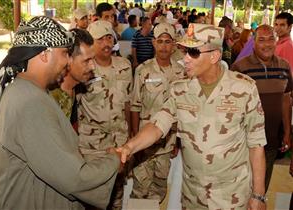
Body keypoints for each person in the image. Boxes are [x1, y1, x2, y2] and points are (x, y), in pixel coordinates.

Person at [116, 23, 267, 209]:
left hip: (231, 196)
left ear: (214, 56)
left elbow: (256, 145)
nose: (185, 58)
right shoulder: (180, 89)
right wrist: (128, 147)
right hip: (193, 196)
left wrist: (258, 196)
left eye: (193, 52)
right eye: (185, 51)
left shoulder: (244, 89)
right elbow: (157, 125)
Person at [0, 16, 120, 210]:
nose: (68, 61)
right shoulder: (30, 102)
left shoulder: (27, 91)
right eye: (64, 54)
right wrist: (113, 162)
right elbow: (74, 178)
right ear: (45, 54)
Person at [79, 20, 133, 210]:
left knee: (116, 197)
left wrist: (131, 139)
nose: (106, 44)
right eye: (99, 39)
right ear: (90, 43)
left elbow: (128, 103)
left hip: (119, 146)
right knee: (91, 199)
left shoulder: (125, 66)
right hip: (91, 148)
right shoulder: (83, 69)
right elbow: (72, 111)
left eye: (109, 38)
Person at [231, 24, 292, 192]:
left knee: (261, 190)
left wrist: (287, 132)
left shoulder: (284, 67)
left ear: (276, 41)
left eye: (271, 39)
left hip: (271, 140)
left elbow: (286, 100)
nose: (267, 44)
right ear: (253, 43)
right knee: (241, 190)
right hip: (244, 144)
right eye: (261, 40)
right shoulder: (239, 69)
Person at [130, 23, 184, 203]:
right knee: (140, 189)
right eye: (159, 41)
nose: (163, 46)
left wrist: (177, 141)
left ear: (174, 44)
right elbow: (135, 106)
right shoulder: (143, 70)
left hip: (167, 142)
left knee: (159, 188)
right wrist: (135, 138)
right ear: (153, 43)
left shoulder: (181, 72)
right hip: (144, 142)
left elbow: (182, 110)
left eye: (168, 41)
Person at [50, 28, 94, 129]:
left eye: (93, 59)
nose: (93, 66)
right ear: (68, 59)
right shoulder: (50, 96)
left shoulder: (76, 89)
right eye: (86, 61)